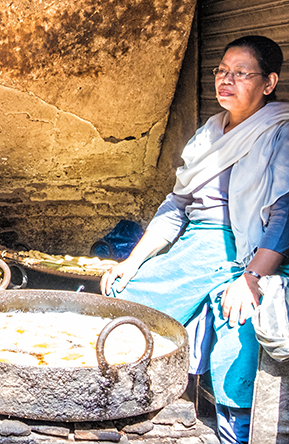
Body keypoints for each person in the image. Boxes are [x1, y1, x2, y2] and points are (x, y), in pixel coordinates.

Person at [100, 35, 289, 444]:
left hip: (251, 250)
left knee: (238, 321)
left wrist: (252, 278)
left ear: (269, 83)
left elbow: (282, 218)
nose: (226, 80)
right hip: (198, 247)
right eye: (222, 71)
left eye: (241, 74)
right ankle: (113, 402)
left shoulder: (281, 132)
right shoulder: (208, 132)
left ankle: (235, 430)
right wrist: (133, 260)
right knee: (121, 292)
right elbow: (176, 206)